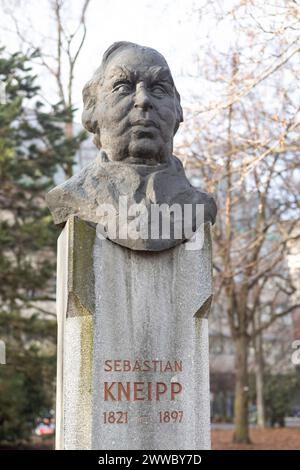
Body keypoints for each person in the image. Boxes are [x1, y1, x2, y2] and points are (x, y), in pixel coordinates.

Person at [46, 42, 217, 251]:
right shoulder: (74, 196)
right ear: (91, 110)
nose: (143, 99)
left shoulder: (198, 207)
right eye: (122, 87)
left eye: (159, 88)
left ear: (178, 110)